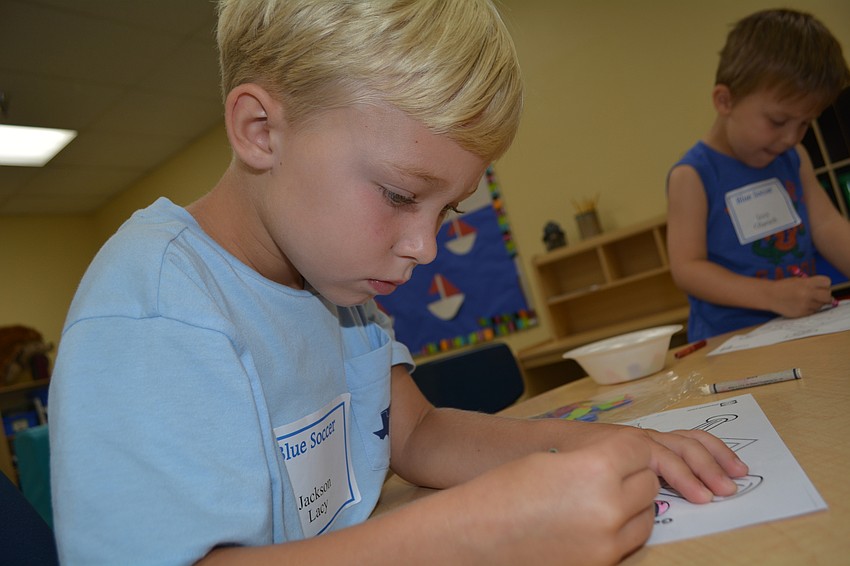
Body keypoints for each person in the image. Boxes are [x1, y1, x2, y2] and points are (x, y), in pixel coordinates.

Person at [49, 1, 747, 564]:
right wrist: (475, 535)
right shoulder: (154, 311)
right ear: (260, 130)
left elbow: (418, 433)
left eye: (448, 209)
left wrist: (600, 446)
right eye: (397, 195)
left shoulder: (340, 287)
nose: (424, 247)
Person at [667, 8, 850, 342]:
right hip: (730, 341)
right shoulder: (692, 176)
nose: (791, 138)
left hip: (799, 327)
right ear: (725, 100)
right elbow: (687, 269)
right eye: (778, 121)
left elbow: (826, 225)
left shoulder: (794, 157)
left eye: (805, 124)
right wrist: (770, 295)